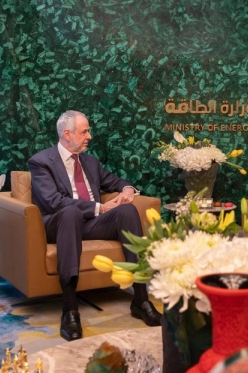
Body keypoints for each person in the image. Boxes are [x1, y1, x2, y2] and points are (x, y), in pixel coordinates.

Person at [28, 110, 162, 341]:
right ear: (67, 134)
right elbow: (53, 202)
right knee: (70, 212)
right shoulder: (41, 162)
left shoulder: (90, 162)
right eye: (84, 132)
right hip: (59, 225)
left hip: (89, 225)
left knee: (127, 211)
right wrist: (99, 208)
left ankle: (141, 299)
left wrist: (128, 189)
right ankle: (70, 309)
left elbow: (115, 181)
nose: (89, 136)